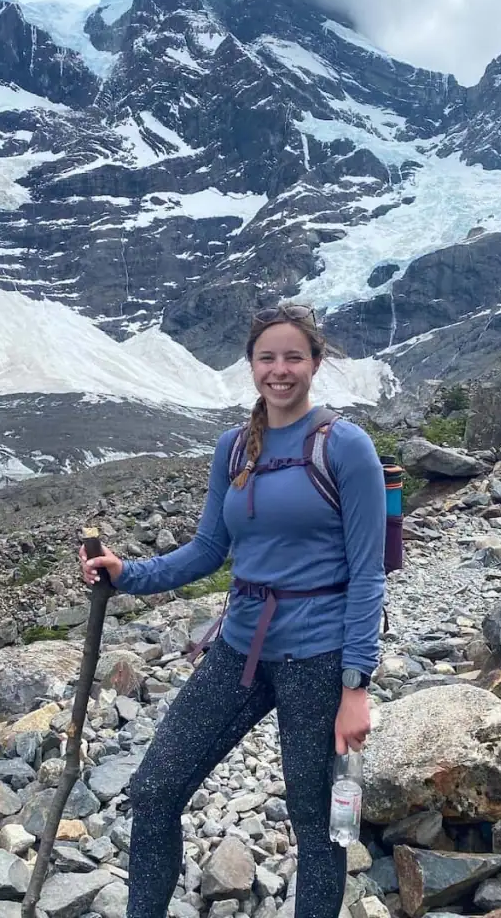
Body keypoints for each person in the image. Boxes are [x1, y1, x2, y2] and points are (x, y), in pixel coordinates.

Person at [80, 303, 387, 918]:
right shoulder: (233, 450)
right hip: (240, 647)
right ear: (250, 365)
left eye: (293, 357)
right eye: (267, 357)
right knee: (157, 788)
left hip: (318, 658)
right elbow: (208, 551)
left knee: (316, 817)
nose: (280, 370)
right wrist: (128, 574)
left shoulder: (346, 447)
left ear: (316, 363)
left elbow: (368, 574)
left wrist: (356, 685)